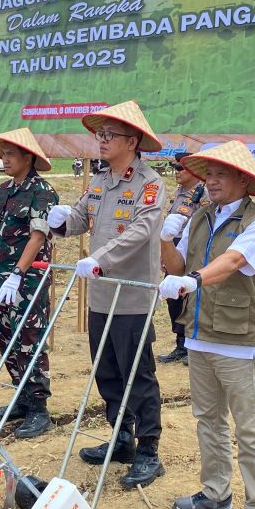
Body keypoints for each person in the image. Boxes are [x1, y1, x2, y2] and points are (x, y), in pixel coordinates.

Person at [157, 141, 255, 509]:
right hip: (199, 334)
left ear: (243, 180)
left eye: (220, 175)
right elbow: (177, 266)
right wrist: (166, 238)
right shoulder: (202, 217)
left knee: (249, 425)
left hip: (237, 340)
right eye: (208, 175)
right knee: (207, 420)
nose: (210, 182)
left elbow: (232, 263)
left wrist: (190, 280)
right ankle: (215, 492)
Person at [50, 100, 167, 488]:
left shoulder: (150, 184)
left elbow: (140, 232)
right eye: (99, 134)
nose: (101, 140)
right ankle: (121, 437)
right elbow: (82, 218)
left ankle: (149, 449)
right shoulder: (100, 180)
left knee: (138, 373)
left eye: (109, 135)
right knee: (108, 371)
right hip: (101, 295)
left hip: (132, 296)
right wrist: (60, 221)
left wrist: (99, 257)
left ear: (132, 141)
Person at [0, 127, 59, 438]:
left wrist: (19, 273)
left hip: (28, 277)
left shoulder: (43, 191)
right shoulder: (4, 190)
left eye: (10, 154)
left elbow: (38, 236)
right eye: (3, 154)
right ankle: (21, 397)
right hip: (2, 275)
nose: (4, 159)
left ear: (28, 157)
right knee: (6, 336)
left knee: (29, 338)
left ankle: (39, 407)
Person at [158, 150, 210, 365]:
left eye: (180, 167)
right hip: (174, 248)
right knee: (173, 297)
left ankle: (192, 345)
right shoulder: (180, 192)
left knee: (190, 297)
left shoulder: (203, 193)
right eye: (174, 167)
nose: (176, 172)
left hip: (192, 250)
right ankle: (181, 343)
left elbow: (204, 225)